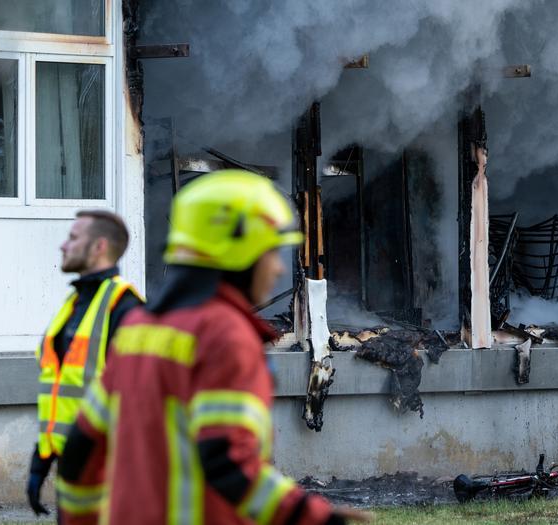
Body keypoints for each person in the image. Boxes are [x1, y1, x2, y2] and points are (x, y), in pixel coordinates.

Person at [56, 170, 369, 524]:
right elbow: (225, 460)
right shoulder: (224, 336)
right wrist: (309, 515)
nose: (279, 267)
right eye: (271, 251)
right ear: (238, 250)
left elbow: (80, 450)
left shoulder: (138, 329)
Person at [28, 210, 143, 517]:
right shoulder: (74, 305)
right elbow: (61, 393)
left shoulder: (127, 309)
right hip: (74, 470)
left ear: (99, 247)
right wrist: (40, 462)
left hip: (112, 475)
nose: (63, 246)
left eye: (73, 238)